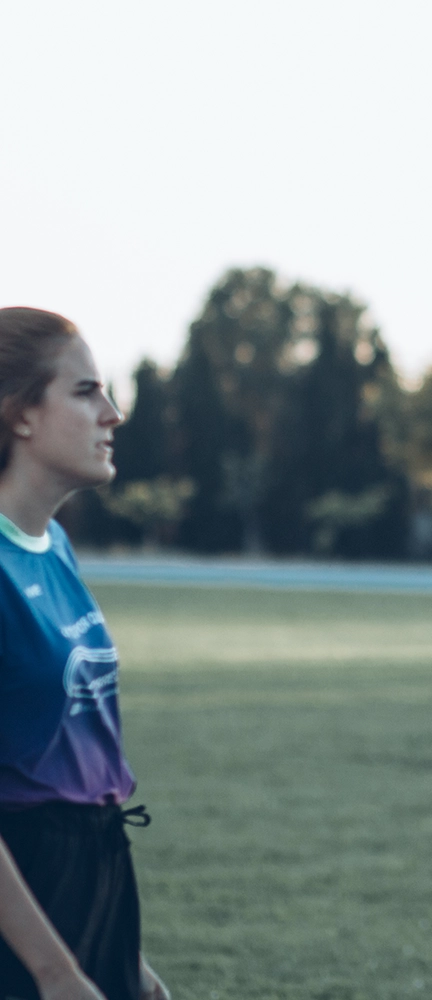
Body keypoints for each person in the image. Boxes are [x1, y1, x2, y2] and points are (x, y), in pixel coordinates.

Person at [0, 308, 170, 1000]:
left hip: (93, 886)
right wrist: (54, 971)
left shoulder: (56, 547)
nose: (113, 413)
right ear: (19, 415)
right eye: (85, 391)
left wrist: (120, 952)